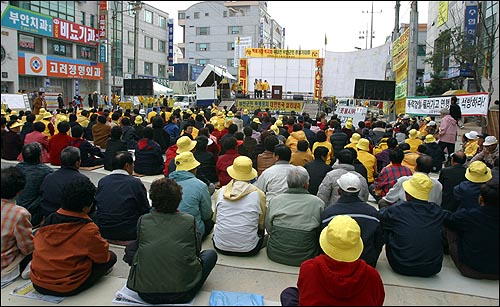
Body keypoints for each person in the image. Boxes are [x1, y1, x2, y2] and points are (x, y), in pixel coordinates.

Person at [125, 178, 217, 304]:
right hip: (182, 293)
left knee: (134, 249)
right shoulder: (189, 220)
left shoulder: (143, 220)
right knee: (210, 255)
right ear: (179, 199)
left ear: (153, 199)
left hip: (145, 294)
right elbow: (196, 251)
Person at [31, 176, 117, 297]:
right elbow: (102, 257)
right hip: (67, 286)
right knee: (112, 257)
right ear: (87, 206)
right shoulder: (88, 229)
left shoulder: (47, 220)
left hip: (38, 282)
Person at [280, 215, 385, 306]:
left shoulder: (309, 268)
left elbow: (304, 295)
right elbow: (378, 301)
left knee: (289, 294)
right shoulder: (372, 276)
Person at [380, 173, 448, 277]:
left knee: (387, 225)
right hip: (432, 268)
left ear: (408, 193)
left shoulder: (397, 210)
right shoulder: (437, 211)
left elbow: (380, 216)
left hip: (400, 265)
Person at [320, 173, 384, 268]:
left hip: (334, 263)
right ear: (359, 191)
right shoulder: (373, 214)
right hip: (366, 262)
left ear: (339, 191)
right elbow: (379, 241)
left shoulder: (328, 214)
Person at [265, 166, 324, 266]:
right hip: (306, 255)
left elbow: (268, 227)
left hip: (276, 253)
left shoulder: (275, 200)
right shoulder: (318, 203)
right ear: (306, 185)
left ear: (288, 183)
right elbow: (320, 231)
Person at [212, 156, 267, 256]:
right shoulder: (259, 194)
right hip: (249, 249)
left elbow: (215, 218)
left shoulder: (220, 192)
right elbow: (261, 223)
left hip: (220, 246)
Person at [444, 180, 499, 280]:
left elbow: (448, 219)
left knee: (451, 226)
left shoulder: (469, 215)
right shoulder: (470, 215)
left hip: (470, 268)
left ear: (481, 199)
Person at [95, 151, 150, 241]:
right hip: (128, 231)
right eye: (133, 164)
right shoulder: (134, 183)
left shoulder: (103, 181)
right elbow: (144, 208)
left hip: (104, 229)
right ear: (127, 166)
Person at [169, 152, 214, 240]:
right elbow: (207, 215)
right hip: (192, 233)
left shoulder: (164, 184)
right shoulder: (200, 185)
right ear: (193, 168)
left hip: (169, 229)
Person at [1, 167, 34, 286]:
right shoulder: (20, 214)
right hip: (6, 270)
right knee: (38, 239)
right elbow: (27, 248)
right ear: (18, 192)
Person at [39, 146, 88, 220]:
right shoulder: (82, 180)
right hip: (70, 220)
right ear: (77, 163)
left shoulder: (48, 178)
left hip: (48, 217)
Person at [378, 155, 443, 208]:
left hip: (406, 214)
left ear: (416, 167)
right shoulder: (438, 185)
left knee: (383, 203)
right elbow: (438, 204)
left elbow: (388, 199)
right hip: (429, 216)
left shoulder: (404, 180)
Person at [15, 143, 54, 226]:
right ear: (40, 156)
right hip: (35, 214)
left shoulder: (16, 169)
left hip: (16, 211)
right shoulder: (47, 172)